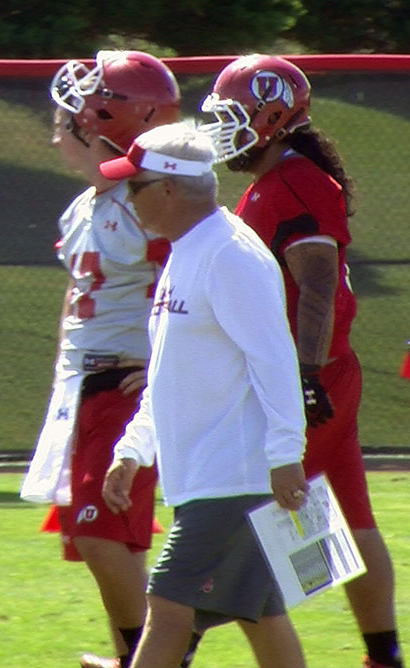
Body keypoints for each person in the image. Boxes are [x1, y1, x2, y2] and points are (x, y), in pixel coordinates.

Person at [201, 54, 403, 668]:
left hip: (304, 376)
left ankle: (160, 653)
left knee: (236, 527)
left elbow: (316, 285)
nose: (219, 132)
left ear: (274, 119)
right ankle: (384, 655)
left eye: (232, 117)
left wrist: (306, 379)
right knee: (347, 515)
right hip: (323, 371)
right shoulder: (280, 179)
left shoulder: (292, 182)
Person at [99, 121, 309, 668]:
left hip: (233, 479)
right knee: (261, 615)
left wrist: (287, 455)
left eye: (134, 185)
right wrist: (133, 449)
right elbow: (171, 371)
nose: (127, 197)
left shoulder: (230, 254)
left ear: (168, 188)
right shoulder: (187, 251)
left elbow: (274, 359)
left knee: (166, 608)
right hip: (211, 476)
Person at [20, 50, 180, 668]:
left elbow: (187, 287)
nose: (57, 130)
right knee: (117, 537)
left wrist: (166, 364)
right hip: (88, 384)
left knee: (95, 531)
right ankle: (137, 657)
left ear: (104, 120)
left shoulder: (150, 205)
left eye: (68, 117)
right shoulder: (88, 204)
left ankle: (159, 657)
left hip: (123, 383)